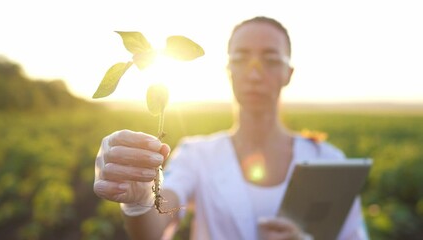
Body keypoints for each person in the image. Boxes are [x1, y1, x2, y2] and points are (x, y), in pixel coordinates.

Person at [93, 16, 369, 240]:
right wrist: (139, 200)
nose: (254, 73)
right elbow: (155, 227)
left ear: (288, 74)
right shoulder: (197, 154)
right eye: (241, 59)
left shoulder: (328, 161)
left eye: (271, 60)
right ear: (229, 71)